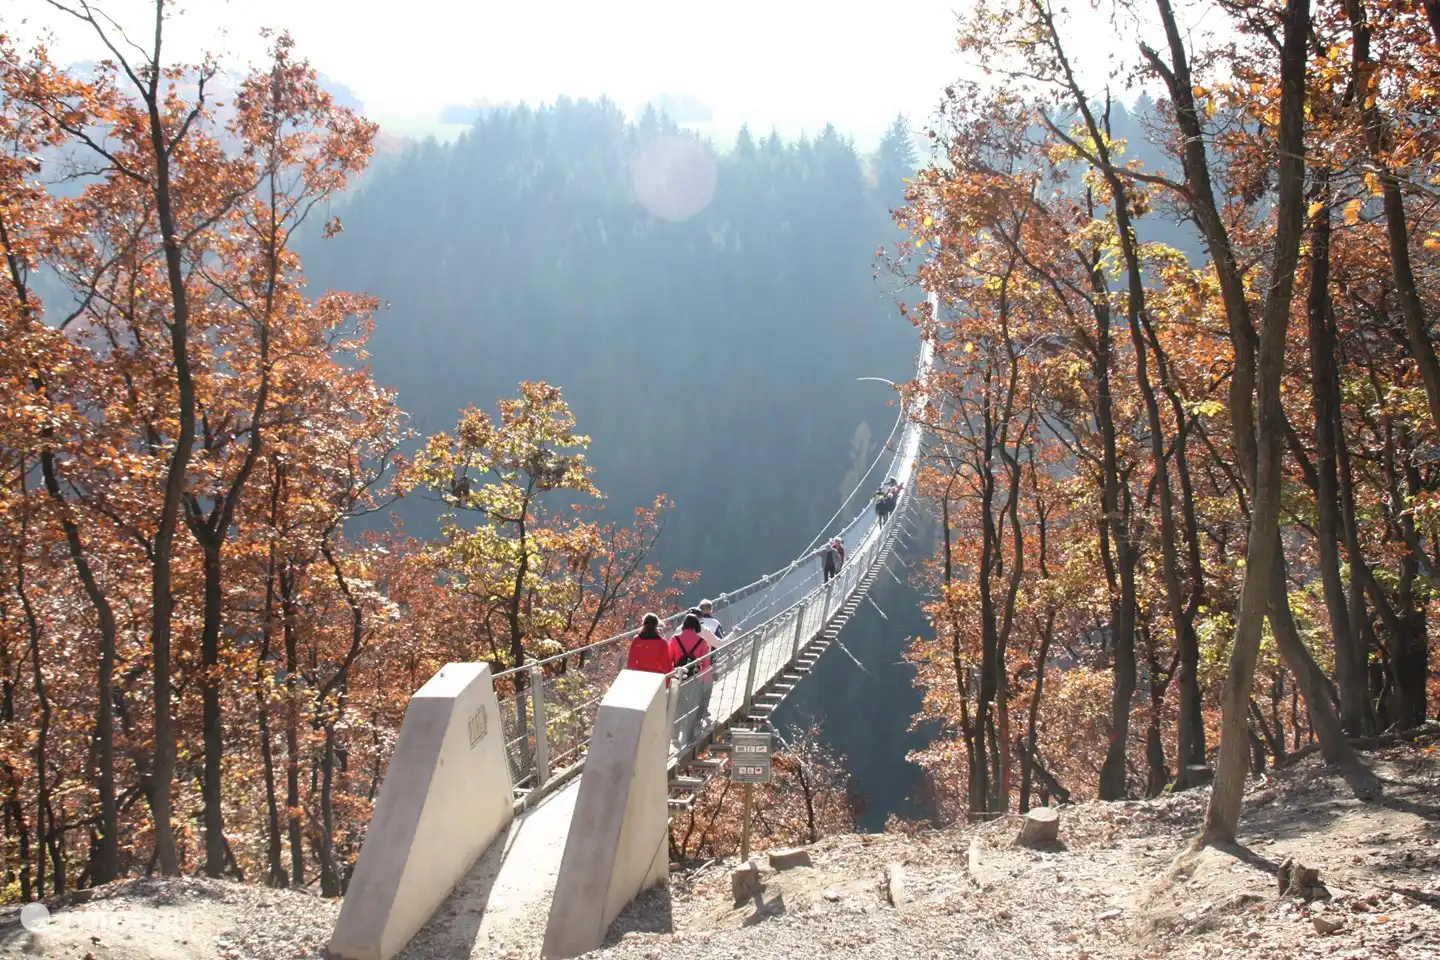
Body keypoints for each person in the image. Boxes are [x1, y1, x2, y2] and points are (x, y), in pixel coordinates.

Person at [672, 613, 714, 740]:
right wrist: (706, 681)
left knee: (677, 705)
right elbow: (706, 664)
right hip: (694, 678)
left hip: (677, 676)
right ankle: (687, 736)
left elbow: (670, 659)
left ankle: (674, 734)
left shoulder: (674, 639)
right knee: (691, 706)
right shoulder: (702, 642)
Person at [625, 612, 677, 677]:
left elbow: (631, 663)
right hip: (655, 677)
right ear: (656, 625)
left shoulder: (637, 640)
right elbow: (665, 665)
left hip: (639, 676)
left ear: (643, 624)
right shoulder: (662, 643)